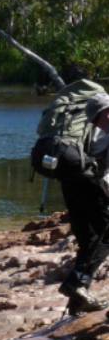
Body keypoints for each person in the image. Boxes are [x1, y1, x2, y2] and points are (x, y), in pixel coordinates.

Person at [59, 93, 109, 315]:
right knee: (104, 235)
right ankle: (75, 284)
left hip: (70, 183)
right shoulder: (102, 131)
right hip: (87, 182)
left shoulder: (79, 130)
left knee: (88, 241)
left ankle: (76, 304)